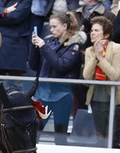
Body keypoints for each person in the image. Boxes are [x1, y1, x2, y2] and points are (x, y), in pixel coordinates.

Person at [29, 12, 85, 145]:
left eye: (55, 27)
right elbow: (33, 65)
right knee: (35, 130)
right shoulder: (49, 41)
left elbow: (61, 66)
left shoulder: (74, 45)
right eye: (51, 27)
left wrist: (44, 47)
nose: (51, 30)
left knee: (60, 134)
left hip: (62, 95)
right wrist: (34, 46)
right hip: (44, 93)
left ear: (64, 26)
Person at [82, 17, 120, 147]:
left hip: (116, 99)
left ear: (106, 34)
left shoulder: (117, 48)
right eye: (91, 30)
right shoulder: (89, 50)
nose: (92, 33)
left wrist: (101, 58)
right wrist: (95, 56)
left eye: (96, 30)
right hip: (96, 97)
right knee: (100, 136)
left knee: (113, 138)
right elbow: (86, 76)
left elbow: (114, 75)